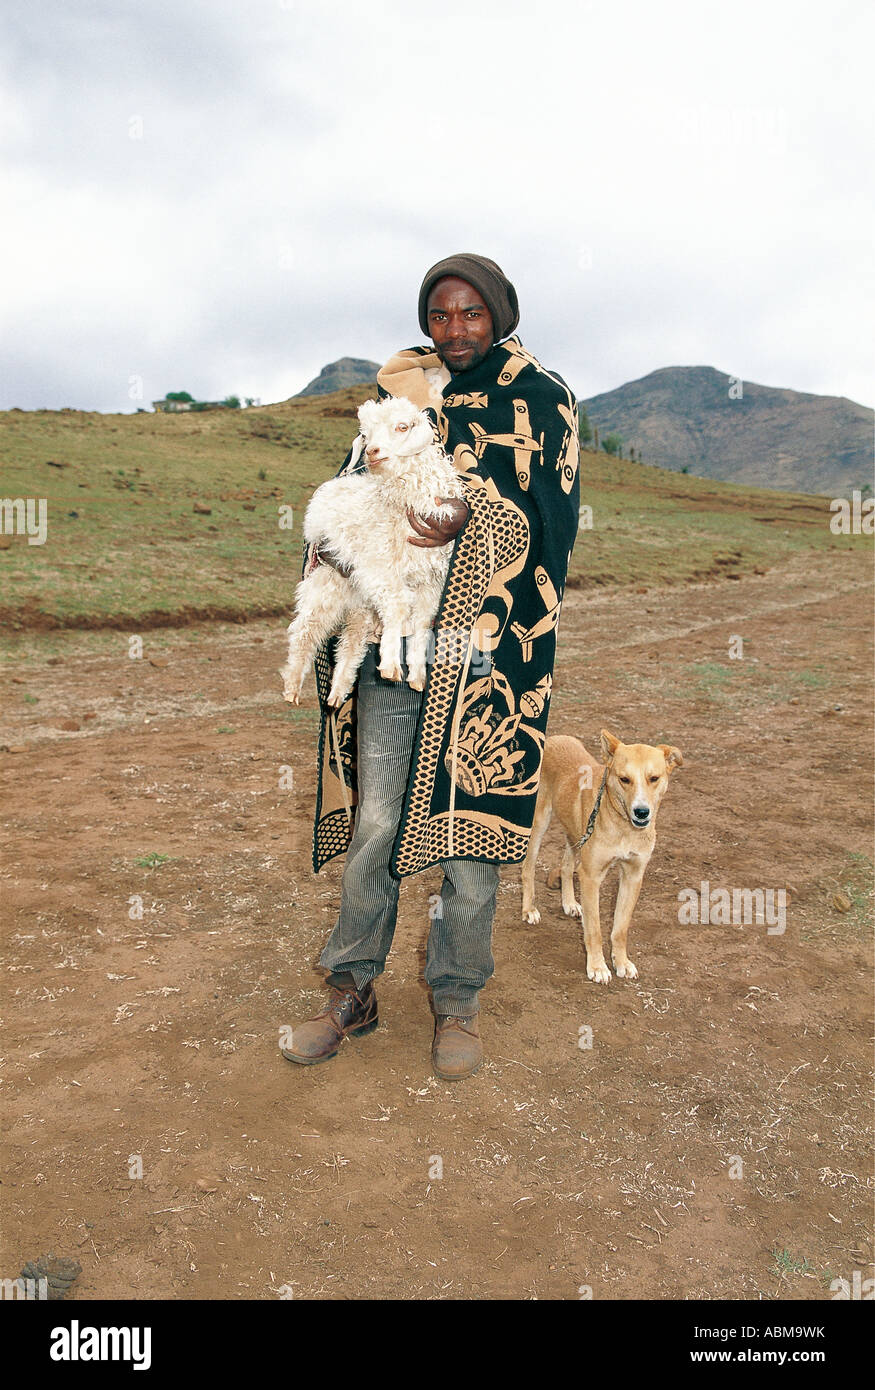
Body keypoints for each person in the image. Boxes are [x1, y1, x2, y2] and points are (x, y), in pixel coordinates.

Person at [282, 253, 580, 1080]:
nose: (453, 331)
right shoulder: (400, 394)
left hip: (486, 652)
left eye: (470, 314)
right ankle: (352, 988)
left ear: (499, 314)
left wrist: (463, 513)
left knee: (469, 833)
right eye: (440, 316)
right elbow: (351, 484)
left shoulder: (540, 398)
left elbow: (549, 520)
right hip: (390, 640)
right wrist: (327, 549)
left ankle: (456, 999)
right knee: (378, 821)